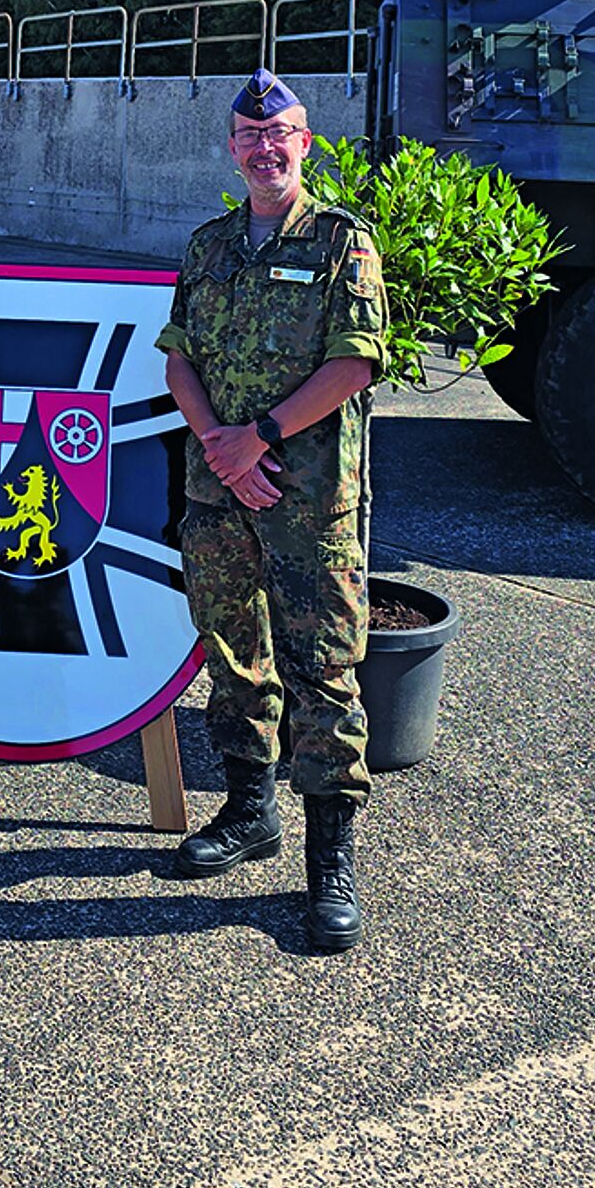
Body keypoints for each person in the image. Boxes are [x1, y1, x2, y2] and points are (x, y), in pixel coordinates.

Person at [155, 67, 389, 952]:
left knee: (324, 668)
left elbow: (357, 363)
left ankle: (330, 859)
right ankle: (250, 810)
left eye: (279, 134)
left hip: (308, 499)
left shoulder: (341, 242)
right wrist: (219, 440)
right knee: (232, 655)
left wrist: (260, 436)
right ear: (231, 149)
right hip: (217, 491)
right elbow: (178, 357)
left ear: (304, 142)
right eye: (249, 137)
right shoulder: (209, 245)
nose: (264, 149)